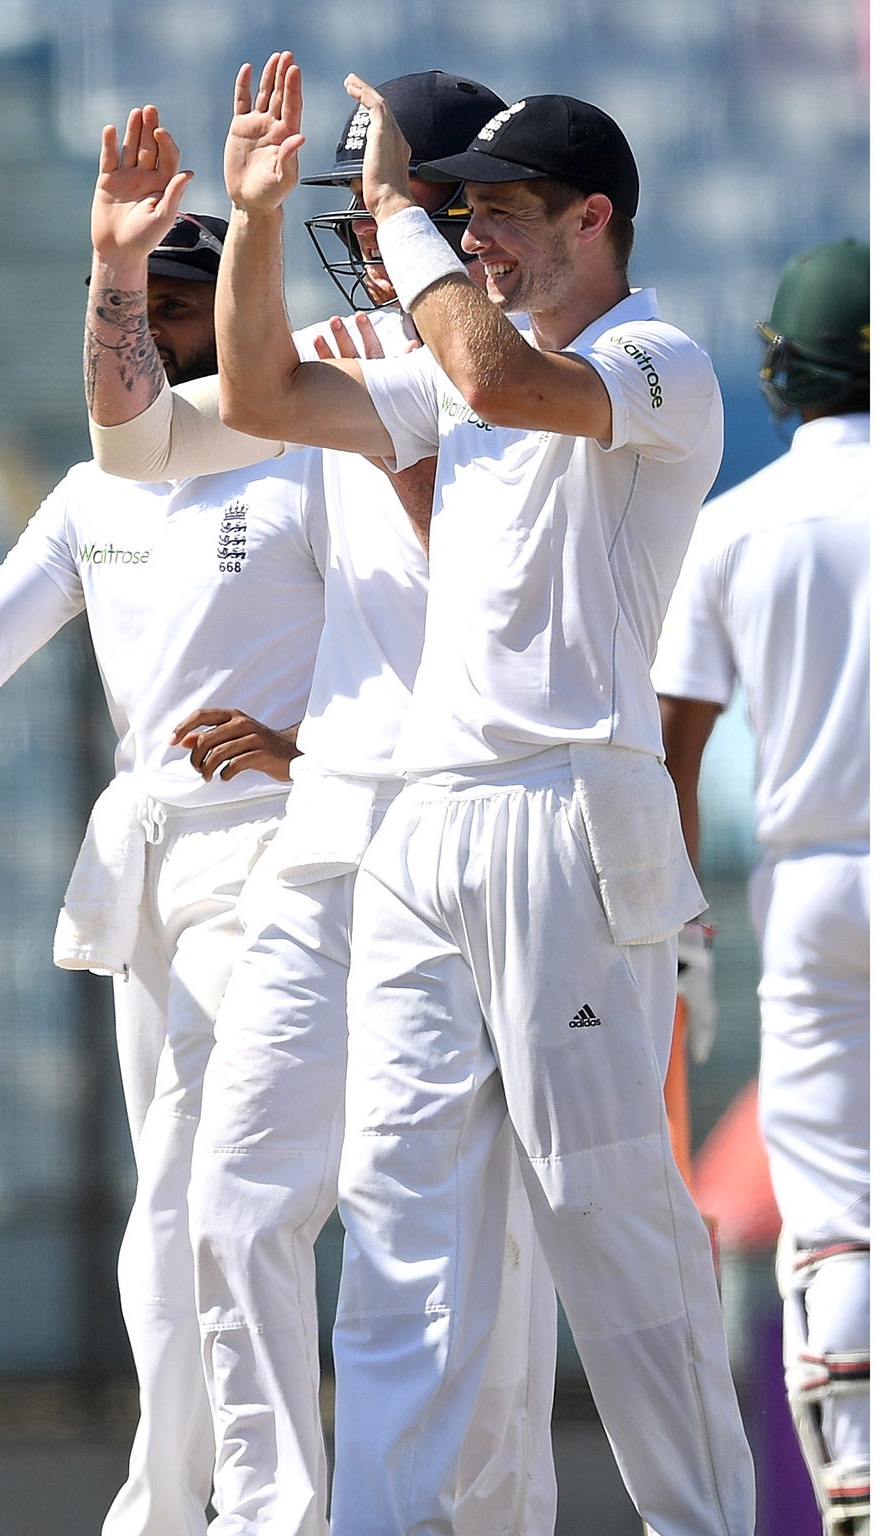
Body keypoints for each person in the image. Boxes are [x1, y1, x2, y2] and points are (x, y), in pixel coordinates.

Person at [209, 53, 754, 1533]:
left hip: (571, 822)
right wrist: (257, 221)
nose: (477, 242)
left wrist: (395, 214)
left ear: (594, 217)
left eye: (502, 213)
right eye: (463, 215)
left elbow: (502, 376)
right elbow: (260, 390)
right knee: (402, 1233)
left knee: (608, 1222)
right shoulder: (462, 377)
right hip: (424, 831)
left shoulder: (657, 360)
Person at [0, 210, 328, 1536]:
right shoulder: (96, 491)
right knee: (171, 1208)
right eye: (136, 305)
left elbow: (412, 656)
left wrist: (302, 745)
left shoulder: (318, 459)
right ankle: (177, 1502)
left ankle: (253, 1509)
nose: (154, 329)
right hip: (147, 867)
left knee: (224, 1198)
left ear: (240, 309)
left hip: (281, 853)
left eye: (185, 302)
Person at [83, 82, 561, 1535]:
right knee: (236, 1206)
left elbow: (494, 588)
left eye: (402, 201)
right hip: (339, 839)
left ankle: (486, 1519)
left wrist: (406, 407)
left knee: (479, 1245)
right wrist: (121, 262)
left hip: (490, 830)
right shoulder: (346, 351)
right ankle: (273, 1516)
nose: (380, 232)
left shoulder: (545, 364)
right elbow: (133, 442)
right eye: (361, 205)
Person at [654, 238, 870, 1536]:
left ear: (781, 373)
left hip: (810, 888)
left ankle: (850, 1464)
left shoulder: (734, 526)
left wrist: (681, 919)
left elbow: (674, 749)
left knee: (834, 1194)